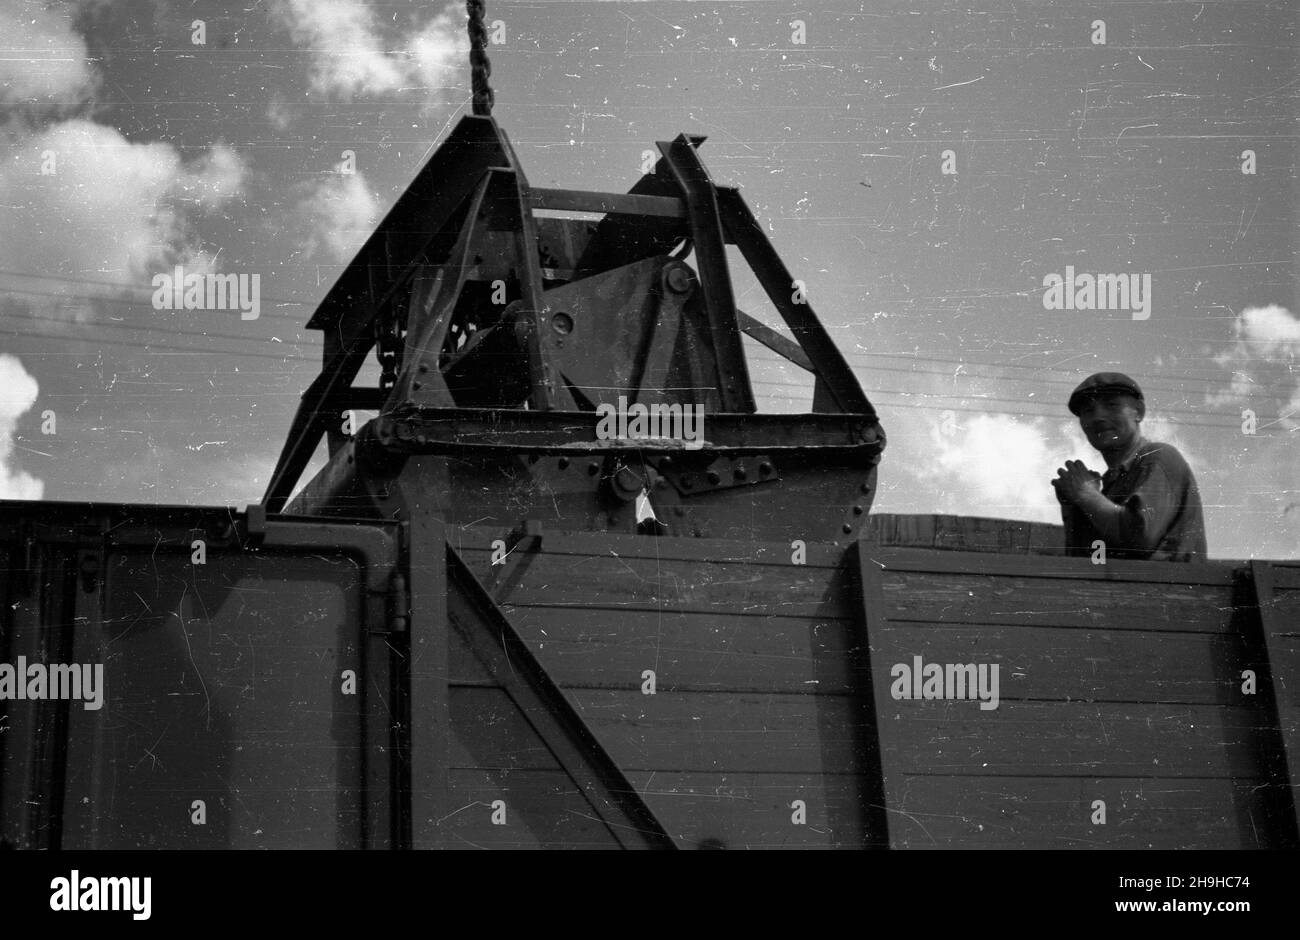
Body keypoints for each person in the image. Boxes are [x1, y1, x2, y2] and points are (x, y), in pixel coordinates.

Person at [1051, 372, 1207, 561]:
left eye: (1111, 405)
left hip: (1164, 590)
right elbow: (1087, 562)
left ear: (1138, 412)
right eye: (1088, 411)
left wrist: (1085, 494)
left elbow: (1138, 537)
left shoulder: (1159, 457)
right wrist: (1073, 506)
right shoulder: (1106, 489)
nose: (1098, 417)